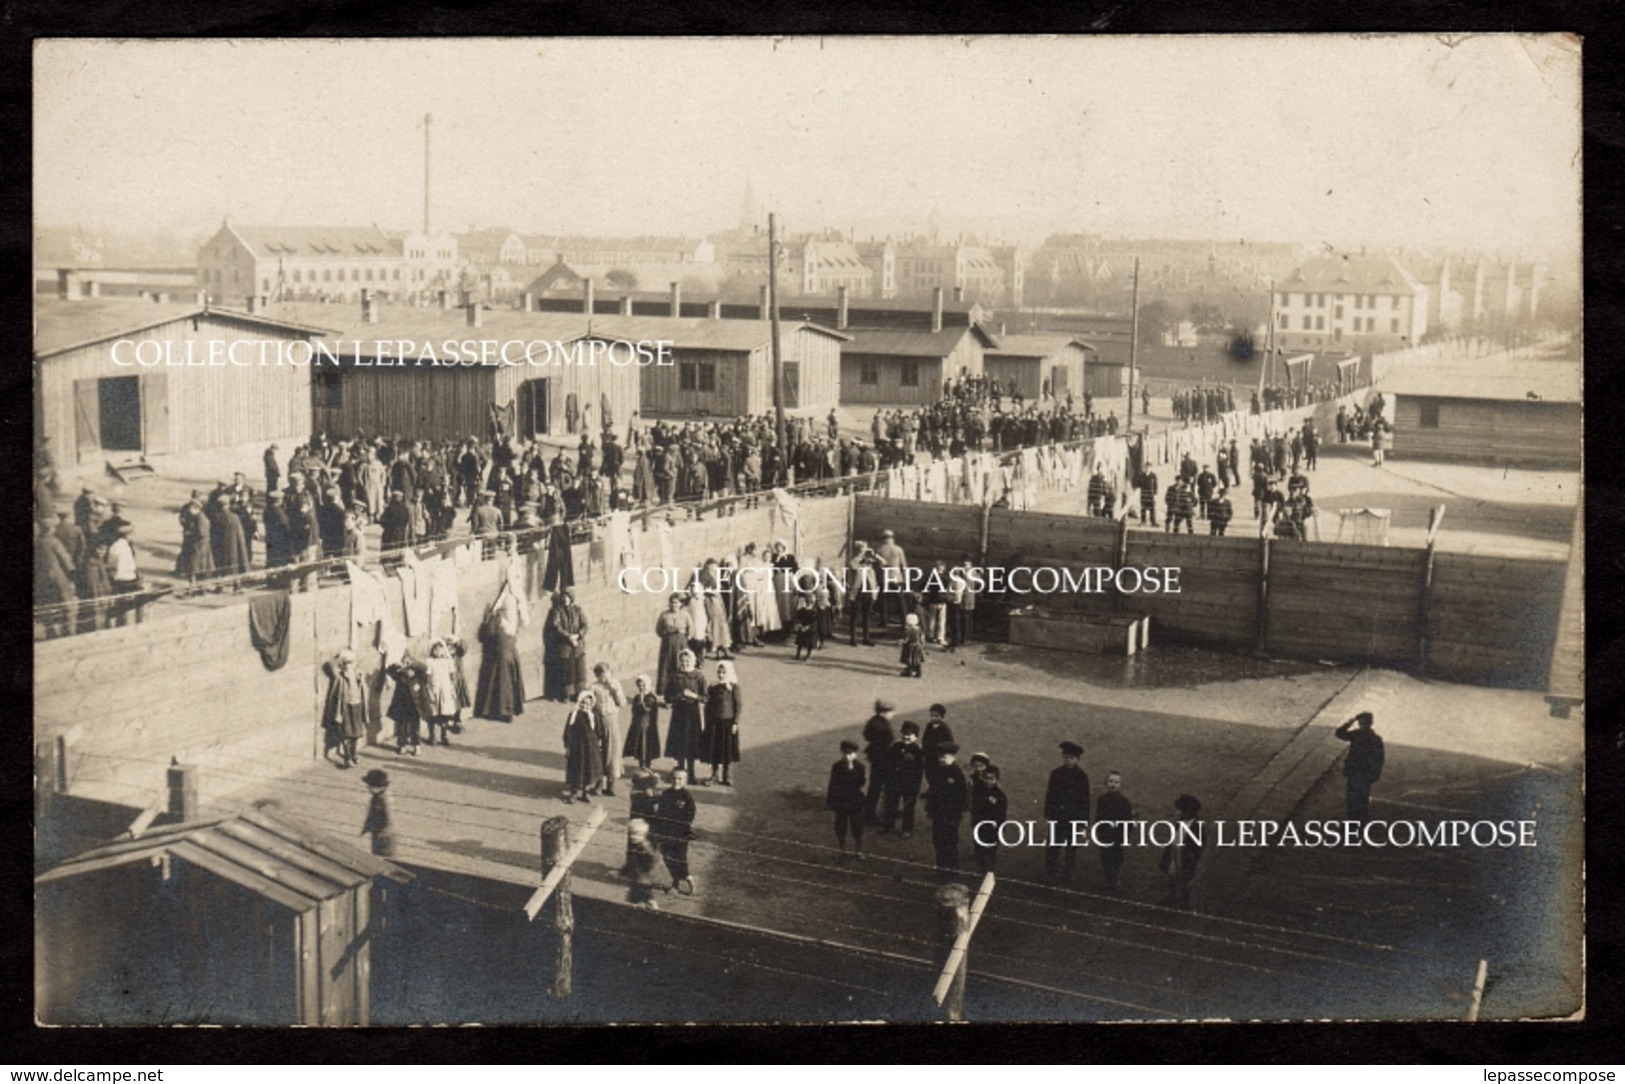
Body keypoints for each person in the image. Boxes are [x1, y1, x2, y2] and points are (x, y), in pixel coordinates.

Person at [474, 579, 527, 721]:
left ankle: (504, 711)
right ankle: (509, 709)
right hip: (510, 648)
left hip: (503, 650)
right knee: (510, 680)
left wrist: (488, 620)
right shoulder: (516, 603)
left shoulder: (500, 616)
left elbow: (487, 634)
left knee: (504, 682)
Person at [1043, 741, 1091, 883]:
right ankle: (1049, 871)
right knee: (1053, 845)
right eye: (1066, 757)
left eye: (1071, 758)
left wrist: (1084, 822)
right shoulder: (1056, 774)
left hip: (1074, 818)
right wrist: (1048, 812)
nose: (1068, 760)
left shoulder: (1082, 776)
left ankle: (1069, 872)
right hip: (1058, 816)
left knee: (1071, 847)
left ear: (1077, 759)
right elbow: (1050, 795)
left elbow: (1085, 800)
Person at [924, 742, 968, 876]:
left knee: (949, 844)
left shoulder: (957, 775)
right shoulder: (938, 771)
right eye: (940, 757)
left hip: (950, 817)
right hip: (938, 815)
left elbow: (961, 799)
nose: (941, 759)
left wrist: (956, 817)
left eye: (944, 757)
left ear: (953, 757)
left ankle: (952, 872)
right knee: (938, 842)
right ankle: (941, 870)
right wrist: (930, 810)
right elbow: (933, 791)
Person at [653, 768, 699, 895]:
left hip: (680, 834)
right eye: (673, 778)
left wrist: (682, 830)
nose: (676, 781)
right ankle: (675, 883)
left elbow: (689, 816)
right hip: (665, 832)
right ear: (669, 779)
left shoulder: (686, 797)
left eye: (680, 779)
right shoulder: (666, 794)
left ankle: (688, 879)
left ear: (685, 781)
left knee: (679, 858)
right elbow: (660, 812)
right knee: (667, 857)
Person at [1334, 711, 1385, 823]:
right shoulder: (1372, 738)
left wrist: (1349, 723)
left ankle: (1358, 820)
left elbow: (1379, 759)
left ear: (1369, 724)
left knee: (1358, 797)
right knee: (1355, 797)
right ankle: (1357, 820)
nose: (1362, 726)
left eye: (1364, 723)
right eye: (1361, 724)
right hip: (1357, 772)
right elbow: (1339, 733)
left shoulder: (1363, 736)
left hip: (1361, 772)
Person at [663, 649, 706, 778]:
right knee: (679, 740)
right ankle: (680, 768)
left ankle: (691, 771)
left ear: (693, 661)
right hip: (678, 713)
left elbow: (705, 697)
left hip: (692, 714)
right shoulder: (675, 676)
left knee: (691, 740)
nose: (685, 663)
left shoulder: (698, 676)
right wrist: (678, 696)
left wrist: (694, 696)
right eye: (683, 661)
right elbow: (667, 697)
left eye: (688, 660)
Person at [322, 649, 368, 770]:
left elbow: (362, 689)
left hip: (357, 705)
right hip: (345, 707)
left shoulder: (358, 674)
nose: (349, 666)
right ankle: (347, 757)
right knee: (347, 733)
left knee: (356, 734)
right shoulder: (340, 675)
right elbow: (330, 664)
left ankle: (354, 754)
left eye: (351, 663)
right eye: (346, 663)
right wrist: (339, 657)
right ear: (343, 664)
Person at [882, 721, 926, 838]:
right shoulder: (896, 747)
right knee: (891, 804)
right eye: (904, 734)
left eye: (910, 734)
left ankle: (907, 829)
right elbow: (889, 763)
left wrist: (916, 786)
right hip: (894, 782)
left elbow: (919, 770)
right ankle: (888, 826)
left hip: (909, 785)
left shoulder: (917, 751)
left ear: (916, 737)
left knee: (908, 808)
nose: (906, 737)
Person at [1160, 794, 1205, 910]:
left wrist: (1194, 859)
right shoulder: (1181, 821)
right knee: (1172, 875)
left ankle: (1184, 902)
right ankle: (1172, 897)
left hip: (1186, 856)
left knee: (1184, 879)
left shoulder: (1197, 827)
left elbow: (1199, 847)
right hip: (1176, 851)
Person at [544, 589, 589, 702]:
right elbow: (557, 626)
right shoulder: (557, 611)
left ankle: (579, 693)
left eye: (567, 597)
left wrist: (578, 635)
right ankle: (567, 694)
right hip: (565, 646)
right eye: (563, 597)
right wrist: (568, 636)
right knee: (567, 670)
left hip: (577, 645)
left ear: (571, 598)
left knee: (579, 669)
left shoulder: (578, 610)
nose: (565, 599)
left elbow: (584, 625)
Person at [702, 661, 742, 787]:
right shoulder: (713, 687)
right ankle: (714, 774)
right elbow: (708, 705)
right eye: (719, 672)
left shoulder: (733, 687)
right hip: (715, 723)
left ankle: (727, 775)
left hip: (728, 723)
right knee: (715, 749)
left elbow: (738, 705)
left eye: (724, 672)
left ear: (728, 673)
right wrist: (707, 721)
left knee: (727, 749)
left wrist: (735, 722)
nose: (721, 675)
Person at [826, 740, 868, 860]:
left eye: (850, 753)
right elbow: (832, 784)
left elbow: (861, 782)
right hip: (841, 801)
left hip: (855, 801)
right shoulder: (837, 767)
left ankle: (858, 850)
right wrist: (831, 802)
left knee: (857, 827)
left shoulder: (860, 767)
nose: (847, 756)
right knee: (840, 826)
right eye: (845, 753)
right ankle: (842, 849)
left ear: (855, 754)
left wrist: (851, 769)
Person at [590, 663, 627, 796]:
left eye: (605, 673)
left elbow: (622, 703)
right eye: (600, 674)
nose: (603, 677)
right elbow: (589, 703)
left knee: (613, 751)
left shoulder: (615, 684)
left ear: (610, 673)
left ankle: (611, 784)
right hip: (597, 720)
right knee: (599, 751)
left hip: (611, 720)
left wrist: (613, 688)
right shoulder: (594, 686)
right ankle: (599, 784)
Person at [1095, 770, 1135, 891]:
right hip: (1105, 835)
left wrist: (1125, 835)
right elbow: (1099, 817)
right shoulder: (1102, 800)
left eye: (1116, 782)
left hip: (1118, 836)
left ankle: (1114, 880)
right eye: (1110, 781)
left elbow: (1128, 821)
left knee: (1117, 858)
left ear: (1120, 784)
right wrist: (1099, 832)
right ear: (1106, 783)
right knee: (1105, 858)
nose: (1113, 784)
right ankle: (1109, 880)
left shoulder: (1125, 802)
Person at [562, 690, 604, 803]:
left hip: (590, 749)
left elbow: (599, 732)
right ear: (579, 702)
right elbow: (567, 732)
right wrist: (567, 746)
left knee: (588, 770)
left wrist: (598, 744)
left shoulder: (594, 716)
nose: (584, 706)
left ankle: (585, 792)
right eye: (582, 703)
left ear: (591, 705)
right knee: (576, 769)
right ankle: (574, 792)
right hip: (577, 748)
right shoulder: (573, 715)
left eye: (587, 704)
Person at [423, 639, 466, 746]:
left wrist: (452, 688)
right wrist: (428, 689)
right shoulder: (430, 662)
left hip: (446, 691)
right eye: (435, 649)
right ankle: (432, 736)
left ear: (444, 651)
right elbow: (428, 677)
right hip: (434, 690)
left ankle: (444, 736)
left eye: (440, 649)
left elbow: (453, 677)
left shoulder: (448, 662)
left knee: (445, 715)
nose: (437, 652)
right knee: (432, 713)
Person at [861, 699, 896, 826]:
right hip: (883, 759)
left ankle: (871, 812)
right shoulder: (882, 727)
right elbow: (887, 743)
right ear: (885, 712)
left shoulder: (873, 721)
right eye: (892, 711)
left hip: (875, 757)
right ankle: (878, 814)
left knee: (875, 786)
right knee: (883, 787)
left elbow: (866, 735)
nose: (893, 714)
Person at [971, 764, 1009, 874]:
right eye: (986, 778)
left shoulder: (1000, 796)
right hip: (979, 827)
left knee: (990, 853)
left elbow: (1001, 815)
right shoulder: (979, 791)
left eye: (991, 779)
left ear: (997, 780)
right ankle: (981, 869)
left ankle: (989, 872)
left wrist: (999, 830)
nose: (988, 781)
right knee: (979, 850)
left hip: (992, 830)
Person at [654, 593, 694, 697]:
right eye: (672, 602)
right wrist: (666, 636)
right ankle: (666, 693)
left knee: (680, 664)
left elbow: (690, 628)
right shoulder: (664, 615)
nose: (674, 605)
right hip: (667, 643)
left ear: (680, 604)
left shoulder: (685, 614)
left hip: (681, 642)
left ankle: (681, 692)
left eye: (676, 602)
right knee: (666, 667)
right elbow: (658, 630)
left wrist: (685, 638)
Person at [623, 674, 663, 770]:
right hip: (638, 724)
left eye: (643, 685)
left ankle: (647, 764)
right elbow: (634, 710)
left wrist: (641, 701)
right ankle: (641, 763)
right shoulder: (637, 697)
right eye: (639, 686)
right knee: (639, 744)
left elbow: (646, 709)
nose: (641, 688)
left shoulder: (651, 697)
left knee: (646, 744)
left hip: (648, 725)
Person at [360, 769, 397, 858]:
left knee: (383, 859)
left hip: (384, 837)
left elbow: (389, 818)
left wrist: (382, 834)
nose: (368, 787)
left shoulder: (384, 799)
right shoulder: (379, 796)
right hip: (379, 834)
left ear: (379, 786)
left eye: (370, 785)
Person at [792, 593, 819, 661]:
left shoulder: (814, 611)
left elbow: (815, 621)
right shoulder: (803, 610)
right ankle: (798, 654)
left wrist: (807, 627)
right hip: (804, 627)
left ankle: (807, 655)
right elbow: (798, 618)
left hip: (810, 629)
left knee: (809, 643)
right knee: (801, 642)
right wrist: (800, 625)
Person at [899, 612, 926, 678]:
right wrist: (922, 644)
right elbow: (922, 638)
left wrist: (901, 641)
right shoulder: (919, 630)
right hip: (918, 646)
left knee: (910, 660)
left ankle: (909, 672)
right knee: (917, 660)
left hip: (910, 647)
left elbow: (906, 639)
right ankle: (918, 672)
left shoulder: (908, 630)